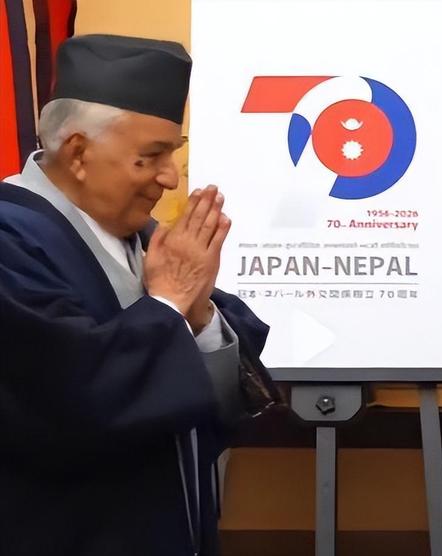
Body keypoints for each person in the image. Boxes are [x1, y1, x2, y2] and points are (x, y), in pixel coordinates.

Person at [0, 34, 277, 556]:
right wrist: (169, 305)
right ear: (78, 153)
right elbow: (67, 398)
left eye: (173, 153)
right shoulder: (12, 239)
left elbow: (212, 404)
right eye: (151, 157)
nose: (170, 178)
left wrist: (199, 314)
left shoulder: (146, 239)